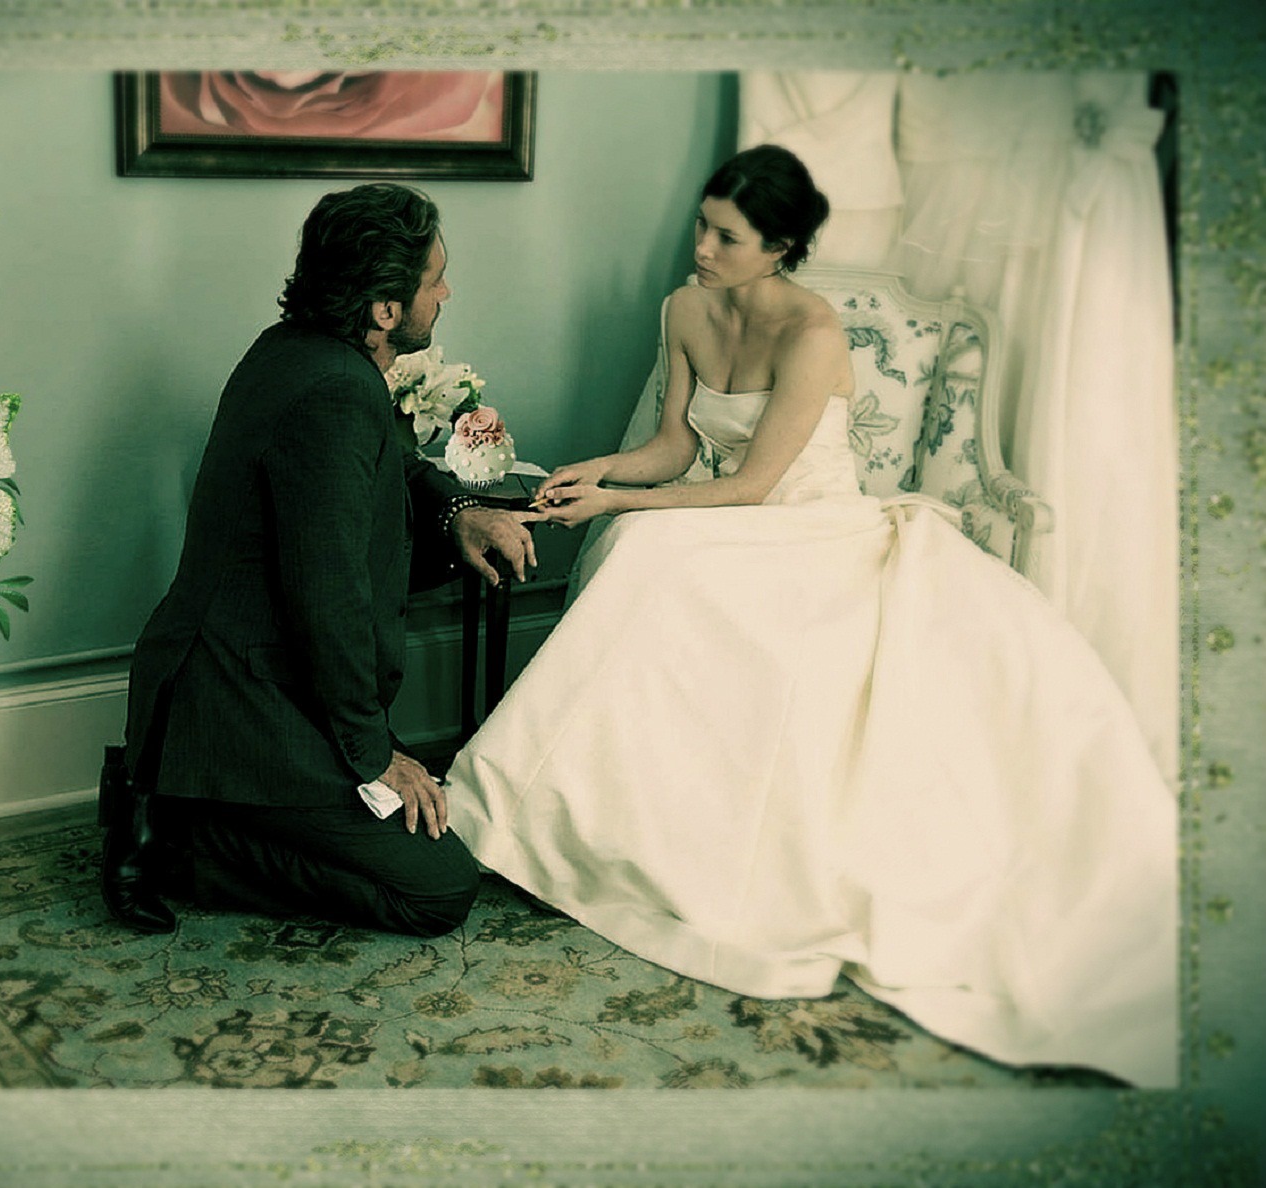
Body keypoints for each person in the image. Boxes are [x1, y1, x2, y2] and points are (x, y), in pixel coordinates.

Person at [443, 145, 1178, 1088]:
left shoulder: (814, 332)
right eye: (702, 226)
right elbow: (675, 447)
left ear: (780, 247)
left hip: (813, 529)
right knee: (640, 550)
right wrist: (602, 471)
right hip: (724, 520)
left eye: (727, 237)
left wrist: (619, 506)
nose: (702, 249)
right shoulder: (684, 309)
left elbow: (754, 485)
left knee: (650, 550)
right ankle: (561, 820)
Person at [100, 182, 540, 940]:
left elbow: (393, 464)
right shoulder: (336, 389)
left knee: (425, 832)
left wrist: (460, 511)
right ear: (385, 310)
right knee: (438, 889)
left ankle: (179, 806)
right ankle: (178, 840)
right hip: (248, 702)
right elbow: (327, 603)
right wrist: (376, 757)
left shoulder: (295, 350)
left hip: (244, 677)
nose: (446, 293)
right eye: (435, 280)